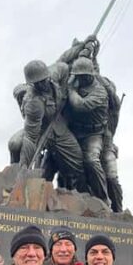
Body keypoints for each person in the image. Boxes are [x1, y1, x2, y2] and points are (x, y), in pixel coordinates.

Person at [18, 60, 83, 188]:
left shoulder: (56, 72)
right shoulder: (33, 102)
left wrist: (65, 89)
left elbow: (64, 66)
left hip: (59, 124)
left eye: (43, 80)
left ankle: (76, 190)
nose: (42, 84)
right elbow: (30, 137)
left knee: (77, 158)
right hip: (43, 130)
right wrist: (24, 166)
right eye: (37, 83)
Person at [65, 57, 110, 203]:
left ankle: (103, 199)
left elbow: (80, 105)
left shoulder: (100, 92)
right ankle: (76, 195)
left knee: (91, 161)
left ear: (90, 75)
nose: (81, 79)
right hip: (75, 131)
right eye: (78, 76)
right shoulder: (76, 82)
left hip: (93, 134)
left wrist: (71, 89)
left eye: (83, 76)